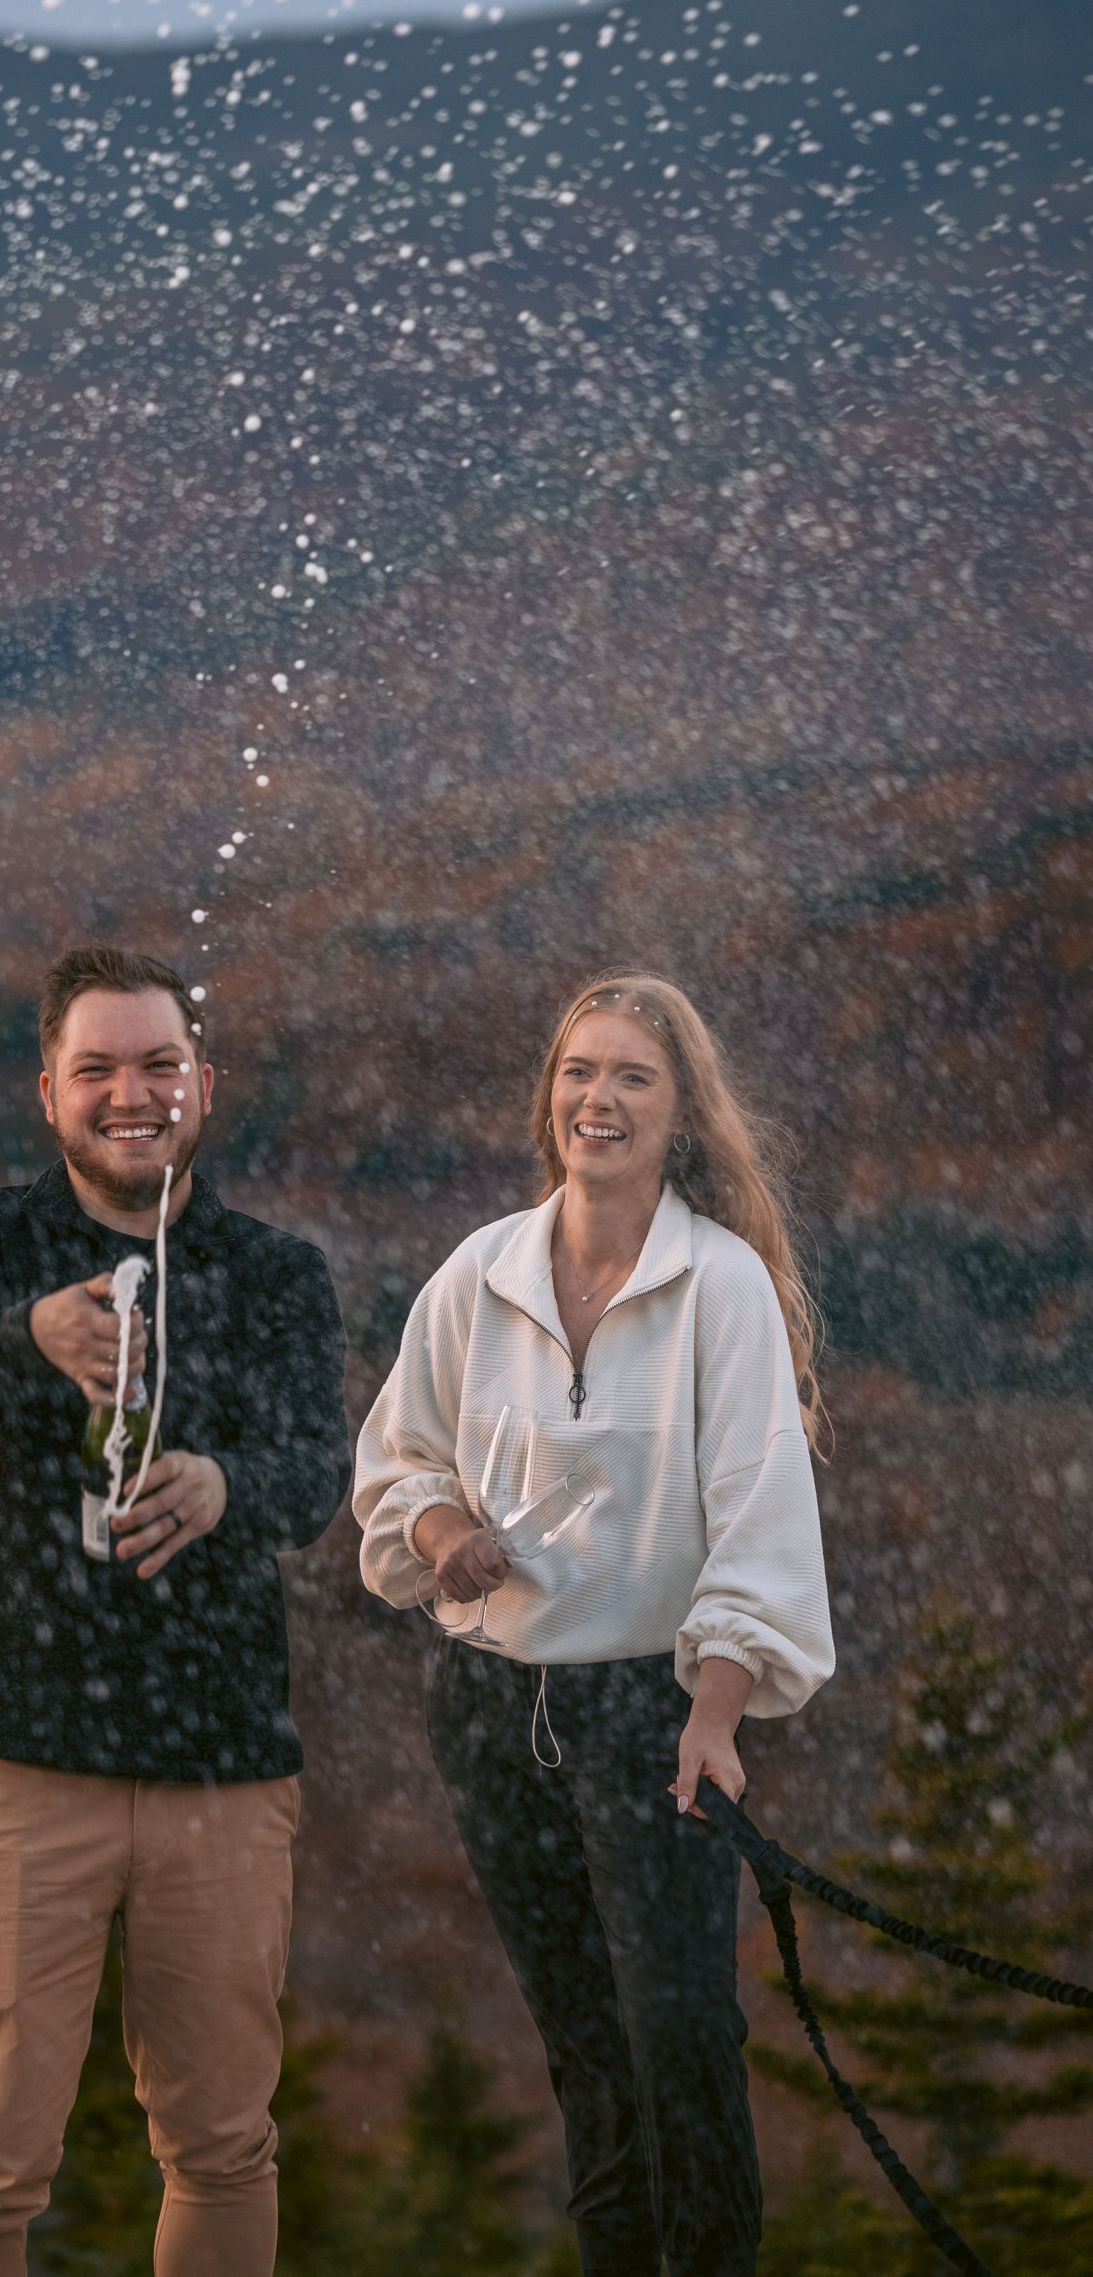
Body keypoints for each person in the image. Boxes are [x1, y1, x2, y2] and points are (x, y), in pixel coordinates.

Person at [353, 968, 834, 2277]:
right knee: (584, 2047)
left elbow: (759, 1517)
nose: (598, 1098)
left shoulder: (719, 1285)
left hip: (655, 1713)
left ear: (680, 1115)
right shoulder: (480, 1273)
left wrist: (720, 1715)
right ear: (547, 1098)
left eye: (633, 1076)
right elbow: (400, 1463)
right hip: (492, 1714)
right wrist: (444, 1540)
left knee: (679, 2035)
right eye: (579, 1072)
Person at [0, 946, 349, 2277]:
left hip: (223, 1770)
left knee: (222, 2148)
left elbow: (319, 1476)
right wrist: (33, 1337)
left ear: (205, 1086)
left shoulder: (274, 1273)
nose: (130, 1092)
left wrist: (219, 1484)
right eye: (96, 1067)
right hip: (20, 1766)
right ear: (50, 1093)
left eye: (159, 1065)